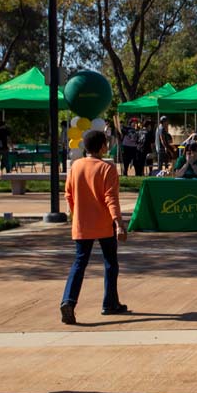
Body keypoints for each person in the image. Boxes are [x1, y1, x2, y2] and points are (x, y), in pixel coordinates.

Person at [60, 129, 128, 324]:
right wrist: (118, 222)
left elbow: (68, 195)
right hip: (104, 224)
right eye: (106, 143)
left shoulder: (76, 167)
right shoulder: (107, 168)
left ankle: (68, 301)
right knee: (110, 263)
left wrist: (76, 214)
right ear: (102, 147)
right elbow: (111, 198)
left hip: (81, 224)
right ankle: (109, 303)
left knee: (79, 263)